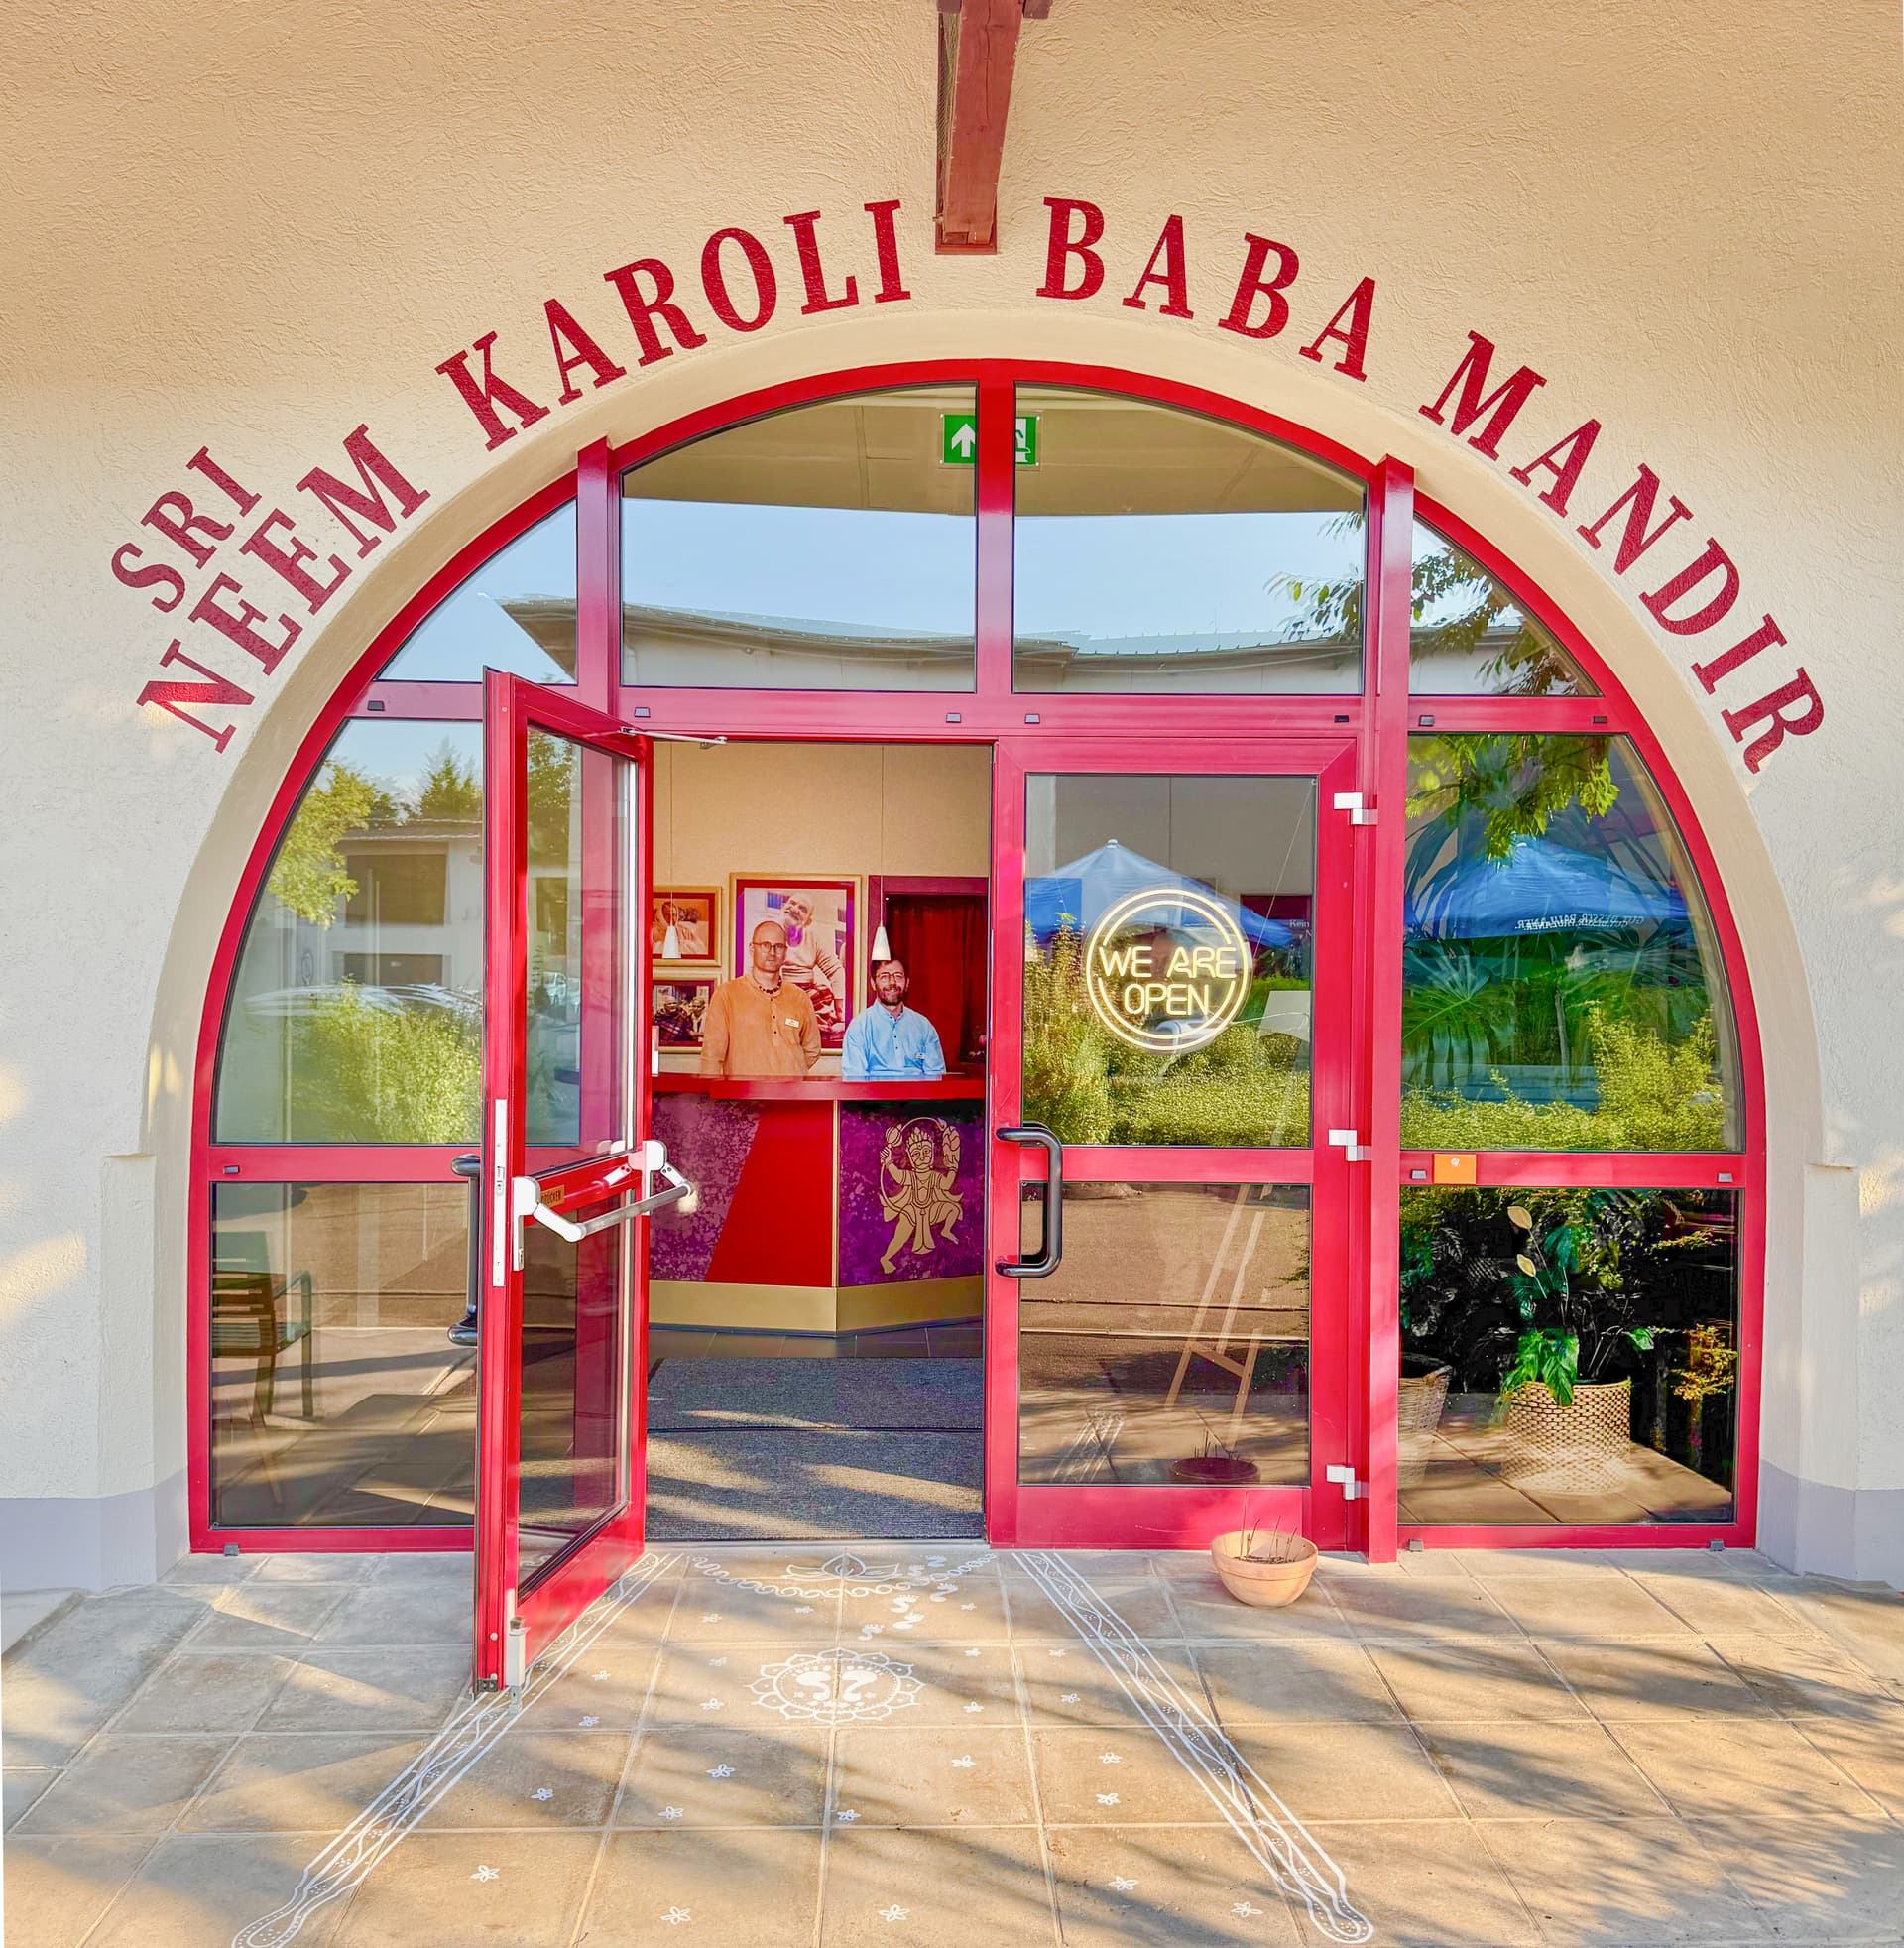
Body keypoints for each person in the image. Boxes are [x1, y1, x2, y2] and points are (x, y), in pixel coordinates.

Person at [698, 920, 823, 1077]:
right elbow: (711, 1056)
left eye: (779, 946)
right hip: (743, 1091)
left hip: (792, 1091)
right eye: (765, 945)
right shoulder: (727, 994)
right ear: (752, 949)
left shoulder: (800, 997)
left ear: (785, 952)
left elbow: (812, 1050)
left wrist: (790, 1070)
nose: (772, 952)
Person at [841, 958, 946, 1081]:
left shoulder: (924, 1026)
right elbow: (855, 1081)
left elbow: (936, 1076)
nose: (892, 982)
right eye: (884, 977)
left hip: (918, 1092)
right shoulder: (859, 1027)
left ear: (907, 983)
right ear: (873, 983)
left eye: (898, 976)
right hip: (874, 1093)